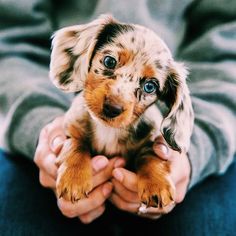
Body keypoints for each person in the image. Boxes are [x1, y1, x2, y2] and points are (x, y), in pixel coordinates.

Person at [0, 0, 235, 235]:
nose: (115, 101)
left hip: (209, 110)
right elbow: (10, 36)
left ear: (169, 98)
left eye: (150, 86)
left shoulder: (153, 125)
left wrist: (179, 158)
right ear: (88, 52)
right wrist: (49, 134)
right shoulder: (79, 114)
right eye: (109, 62)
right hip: (42, 102)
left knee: (207, 228)